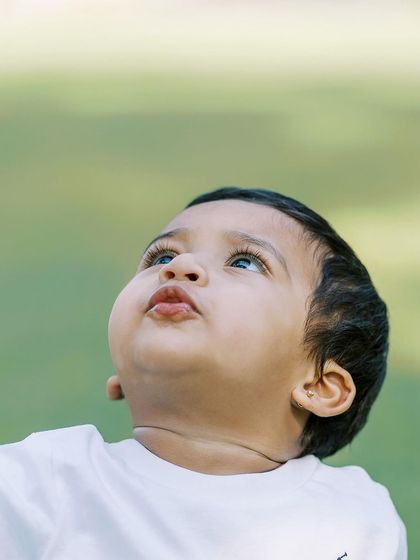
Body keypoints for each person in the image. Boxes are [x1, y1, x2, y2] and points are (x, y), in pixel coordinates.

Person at [0, 187, 407, 559]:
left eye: (245, 262)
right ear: (120, 376)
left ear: (319, 386)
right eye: (162, 256)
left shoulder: (354, 517)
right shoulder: (38, 484)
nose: (182, 265)